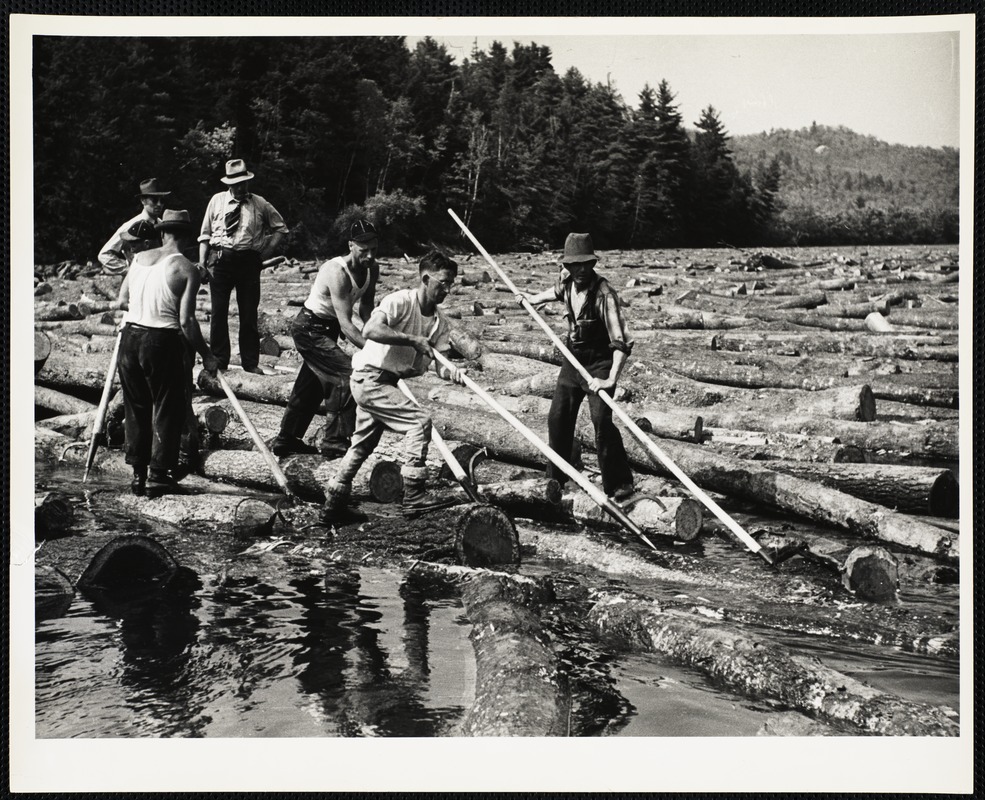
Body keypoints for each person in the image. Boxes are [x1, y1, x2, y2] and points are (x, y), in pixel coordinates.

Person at [321, 251, 466, 519]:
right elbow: (370, 331)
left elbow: (441, 364)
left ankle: (333, 503)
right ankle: (413, 495)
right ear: (425, 278)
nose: (447, 289)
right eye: (443, 282)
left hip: (387, 382)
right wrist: (411, 340)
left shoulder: (439, 323)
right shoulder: (400, 302)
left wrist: (453, 372)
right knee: (419, 422)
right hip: (369, 377)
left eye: (451, 284)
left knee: (362, 446)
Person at [516, 232, 636, 502]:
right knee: (558, 418)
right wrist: (532, 299)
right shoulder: (567, 281)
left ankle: (619, 484)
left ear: (592, 264)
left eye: (585, 264)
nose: (580, 270)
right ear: (567, 266)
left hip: (601, 361)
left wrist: (609, 380)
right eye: (574, 264)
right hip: (573, 360)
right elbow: (555, 292)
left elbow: (621, 343)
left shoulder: (604, 294)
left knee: (601, 421)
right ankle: (555, 481)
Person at [117, 210, 219, 497]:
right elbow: (187, 322)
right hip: (160, 340)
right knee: (167, 406)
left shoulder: (138, 259)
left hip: (129, 338)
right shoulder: (185, 268)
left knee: (136, 407)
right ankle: (158, 475)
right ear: (186, 238)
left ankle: (138, 475)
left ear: (162, 234)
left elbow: (122, 300)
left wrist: (144, 307)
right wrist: (207, 355)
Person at [271, 219, 380, 458]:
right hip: (309, 328)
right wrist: (373, 352)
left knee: (310, 384)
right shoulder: (336, 271)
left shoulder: (373, 268)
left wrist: (376, 335)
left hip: (327, 329)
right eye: (364, 250)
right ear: (351, 245)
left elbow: (366, 308)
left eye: (374, 249)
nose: (370, 255)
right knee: (346, 375)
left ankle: (286, 439)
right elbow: (346, 322)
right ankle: (335, 442)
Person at [198, 158, 288, 374]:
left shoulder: (260, 203)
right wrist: (202, 264)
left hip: (249, 264)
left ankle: (250, 362)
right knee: (219, 313)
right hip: (220, 261)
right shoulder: (217, 201)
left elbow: (281, 229)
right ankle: (220, 360)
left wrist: (263, 254)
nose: (240, 187)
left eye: (243, 183)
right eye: (235, 184)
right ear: (228, 184)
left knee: (248, 314)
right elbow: (205, 235)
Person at [98, 178, 170, 275]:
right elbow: (104, 255)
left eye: (162, 200)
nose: (159, 204)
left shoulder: (162, 225)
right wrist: (129, 270)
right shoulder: (131, 226)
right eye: (154, 200)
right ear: (143, 201)